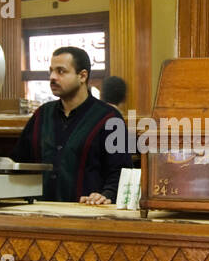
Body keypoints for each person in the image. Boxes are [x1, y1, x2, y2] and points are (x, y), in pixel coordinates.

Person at [13, 46, 130, 204]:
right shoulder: (41, 115)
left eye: (61, 71)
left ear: (82, 76)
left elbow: (122, 172)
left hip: (88, 215)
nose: (53, 77)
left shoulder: (110, 118)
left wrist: (106, 195)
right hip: (40, 212)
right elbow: (18, 163)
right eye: (51, 71)